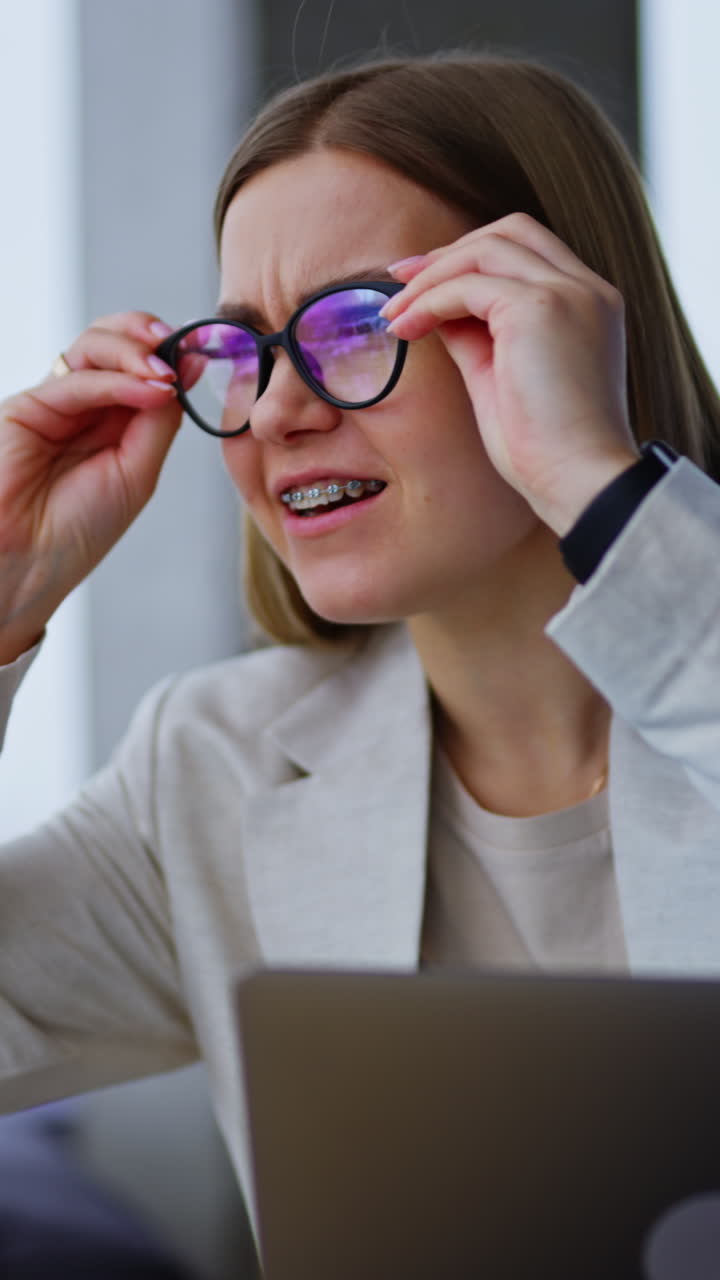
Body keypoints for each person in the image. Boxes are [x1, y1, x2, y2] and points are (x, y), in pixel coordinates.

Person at [1, 50, 720, 1240]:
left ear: (558, 330)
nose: (280, 409)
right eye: (241, 352)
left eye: (355, 327)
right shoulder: (211, 767)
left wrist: (595, 475)